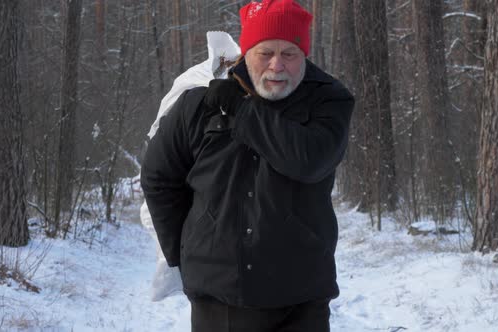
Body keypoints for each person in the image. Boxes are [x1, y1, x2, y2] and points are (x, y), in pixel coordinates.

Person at [141, 0, 354, 330]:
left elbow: (309, 160)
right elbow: (159, 177)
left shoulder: (329, 100)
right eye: (265, 52)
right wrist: (187, 251)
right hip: (220, 296)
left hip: (302, 295)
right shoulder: (198, 103)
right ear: (247, 51)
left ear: (305, 55)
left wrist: (241, 110)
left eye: (289, 53)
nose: (276, 65)